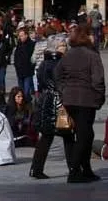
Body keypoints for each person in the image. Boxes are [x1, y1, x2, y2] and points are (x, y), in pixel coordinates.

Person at [55, 24, 105, 183]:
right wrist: (99, 97)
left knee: (86, 134)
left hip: (69, 99)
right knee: (84, 136)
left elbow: (57, 74)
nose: (94, 37)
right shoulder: (92, 55)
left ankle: (87, 169)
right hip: (86, 100)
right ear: (86, 36)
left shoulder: (68, 55)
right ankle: (75, 171)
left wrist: (63, 90)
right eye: (91, 34)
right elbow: (98, 80)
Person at [30, 39, 72, 179]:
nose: (65, 48)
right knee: (68, 136)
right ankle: (73, 167)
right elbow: (62, 84)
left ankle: (36, 168)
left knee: (47, 137)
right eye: (62, 46)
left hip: (46, 101)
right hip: (59, 104)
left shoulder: (43, 64)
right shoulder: (60, 64)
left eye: (65, 46)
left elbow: (41, 83)